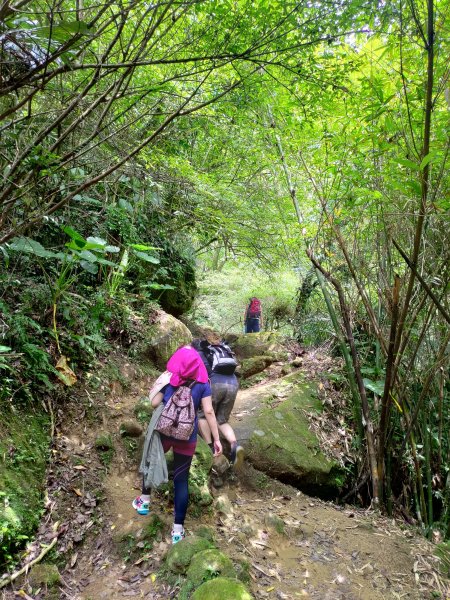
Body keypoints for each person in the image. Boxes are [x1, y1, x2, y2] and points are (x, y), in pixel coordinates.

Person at [132, 346, 222, 544]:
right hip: (187, 436)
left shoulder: (171, 377)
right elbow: (208, 412)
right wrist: (216, 439)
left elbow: (154, 403)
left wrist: (160, 383)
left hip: (164, 431)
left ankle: (144, 502)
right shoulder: (203, 383)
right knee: (181, 481)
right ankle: (177, 531)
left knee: (152, 459)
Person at [192, 336, 244, 468]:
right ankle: (234, 447)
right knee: (222, 420)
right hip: (233, 384)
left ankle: (211, 448)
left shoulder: (200, 352)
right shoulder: (223, 350)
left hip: (215, 383)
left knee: (203, 414)